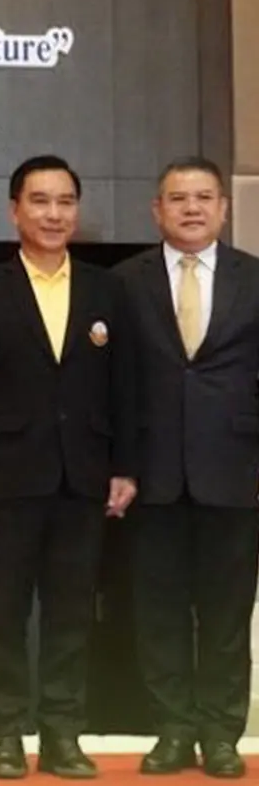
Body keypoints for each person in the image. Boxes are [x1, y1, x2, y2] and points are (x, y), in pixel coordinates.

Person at [0, 156, 137, 779]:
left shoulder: (107, 290)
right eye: (40, 201)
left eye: (65, 202)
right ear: (15, 211)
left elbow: (126, 388)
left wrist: (125, 467)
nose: (54, 214)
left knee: (71, 614)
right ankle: (5, 734)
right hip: (7, 476)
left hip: (84, 477)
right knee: (3, 613)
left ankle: (62, 735)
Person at [112, 157, 259, 779]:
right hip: (151, 475)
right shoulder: (123, 283)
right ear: (157, 210)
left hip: (236, 473)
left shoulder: (255, 279)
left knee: (226, 615)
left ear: (223, 208)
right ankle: (172, 730)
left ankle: (221, 734)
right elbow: (111, 384)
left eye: (203, 197)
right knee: (159, 612)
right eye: (178, 198)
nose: (192, 208)